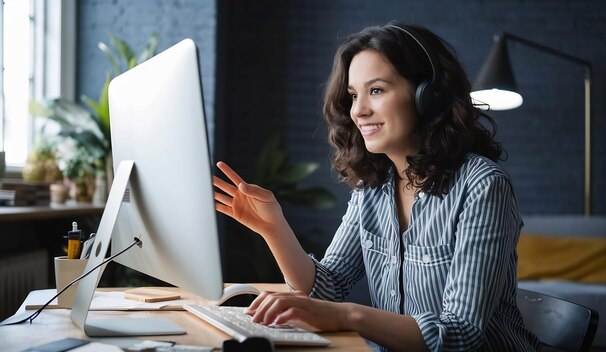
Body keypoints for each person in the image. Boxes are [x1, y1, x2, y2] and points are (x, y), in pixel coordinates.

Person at [213, 23, 540, 352]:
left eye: (377, 90)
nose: (358, 110)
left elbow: (459, 334)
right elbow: (328, 288)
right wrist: (274, 228)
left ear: (429, 95)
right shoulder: (374, 185)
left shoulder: (482, 186)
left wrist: (349, 316)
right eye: (354, 95)